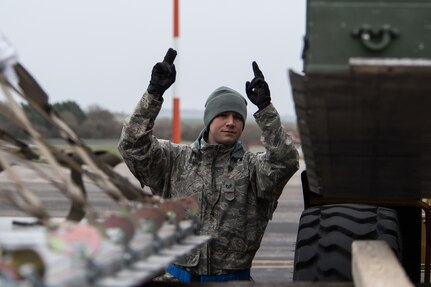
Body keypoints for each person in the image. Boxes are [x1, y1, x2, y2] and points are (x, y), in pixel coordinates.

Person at [118, 48, 299, 282]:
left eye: (237, 117)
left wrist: (265, 110)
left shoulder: (252, 168)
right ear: (209, 120)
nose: (231, 122)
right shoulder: (175, 160)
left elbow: (285, 161)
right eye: (223, 115)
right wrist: (153, 94)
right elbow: (132, 144)